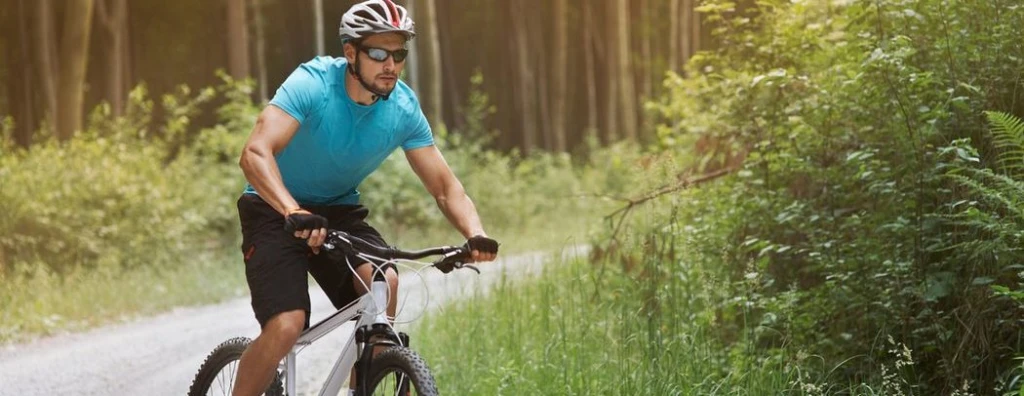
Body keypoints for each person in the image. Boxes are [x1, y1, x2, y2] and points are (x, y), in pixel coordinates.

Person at [231, 1, 499, 394]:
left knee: (383, 281)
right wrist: (292, 209)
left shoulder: (403, 108)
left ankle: (363, 384)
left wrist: (475, 233)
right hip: (274, 207)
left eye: (399, 54)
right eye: (378, 53)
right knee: (287, 324)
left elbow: (445, 187)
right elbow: (255, 153)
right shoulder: (314, 84)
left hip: (338, 210)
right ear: (351, 53)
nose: (390, 64)